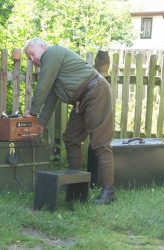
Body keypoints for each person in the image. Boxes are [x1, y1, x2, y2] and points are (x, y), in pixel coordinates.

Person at [23, 37, 116, 204]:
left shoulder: (52, 53)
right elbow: (51, 97)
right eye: (29, 57)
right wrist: (40, 123)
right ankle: (76, 184)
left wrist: (32, 112)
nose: (32, 59)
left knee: (100, 143)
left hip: (96, 91)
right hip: (82, 99)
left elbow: (42, 87)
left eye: (32, 53)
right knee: (71, 138)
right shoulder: (51, 64)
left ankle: (109, 191)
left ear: (43, 46)